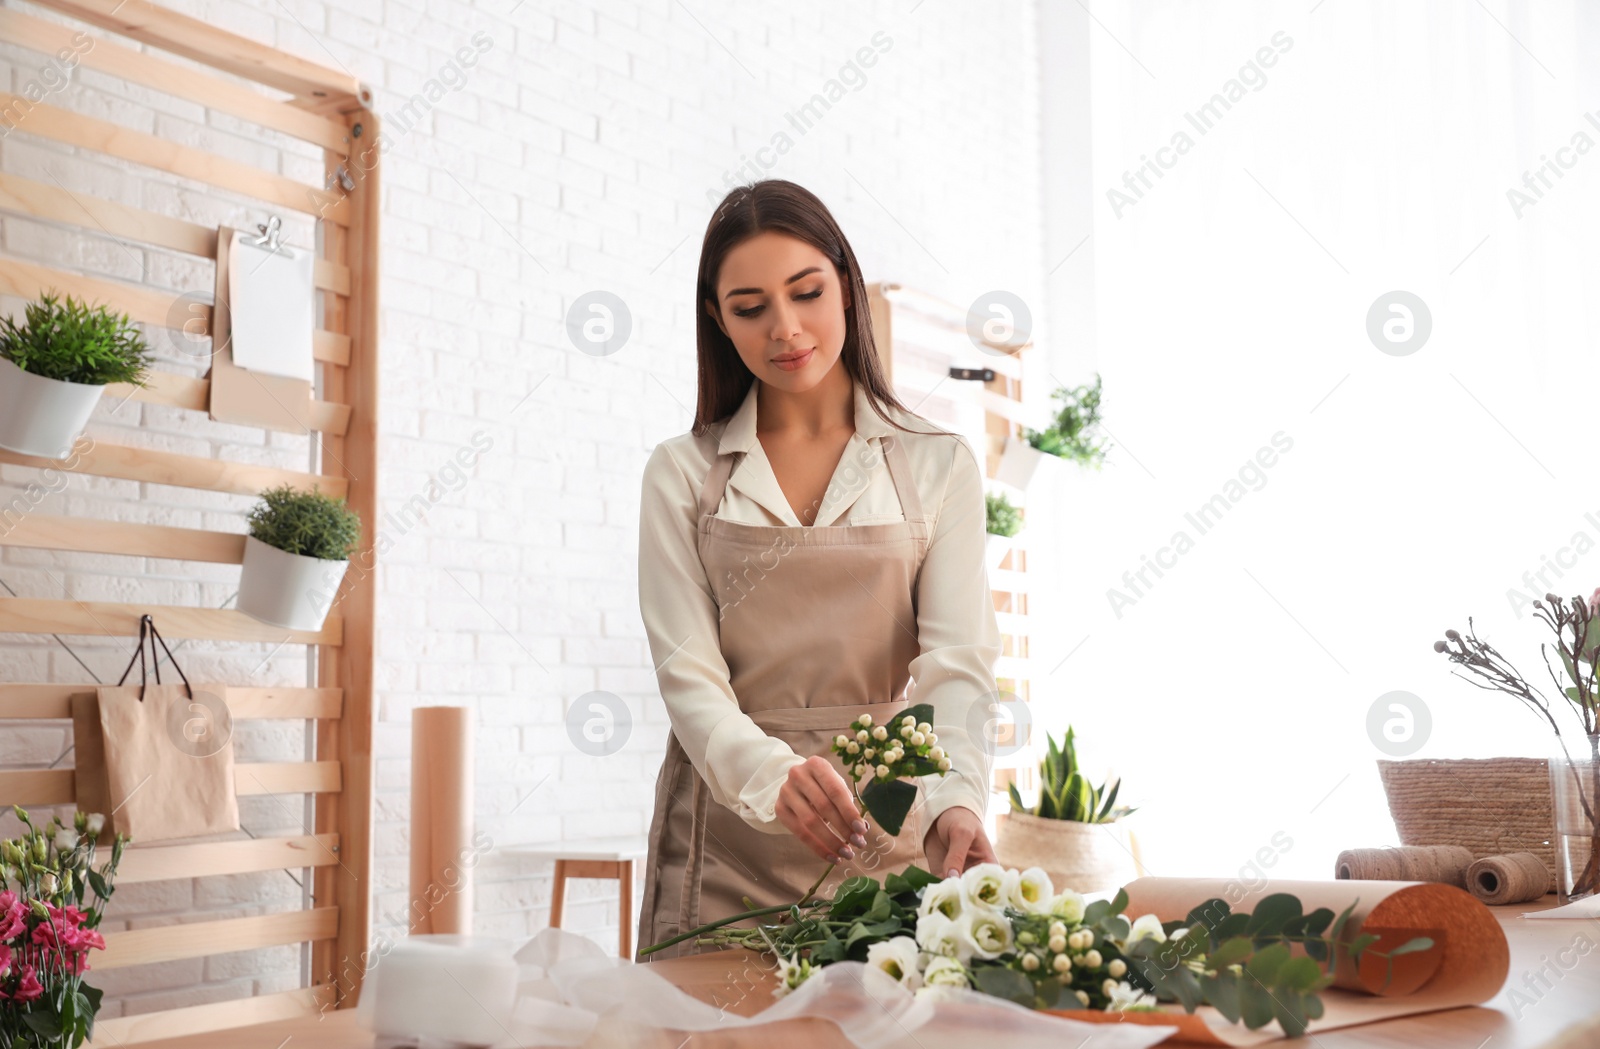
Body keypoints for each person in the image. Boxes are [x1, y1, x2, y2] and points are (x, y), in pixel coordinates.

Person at [634, 179, 1003, 961]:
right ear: (717, 319)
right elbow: (689, 679)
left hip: (890, 838)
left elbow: (955, 670)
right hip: (722, 849)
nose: (787, 328)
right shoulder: (680, 475)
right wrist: (775, 778)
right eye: (750, 307)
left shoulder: (939, 467)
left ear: (847, 284)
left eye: (807, 292)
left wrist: (956, 801)